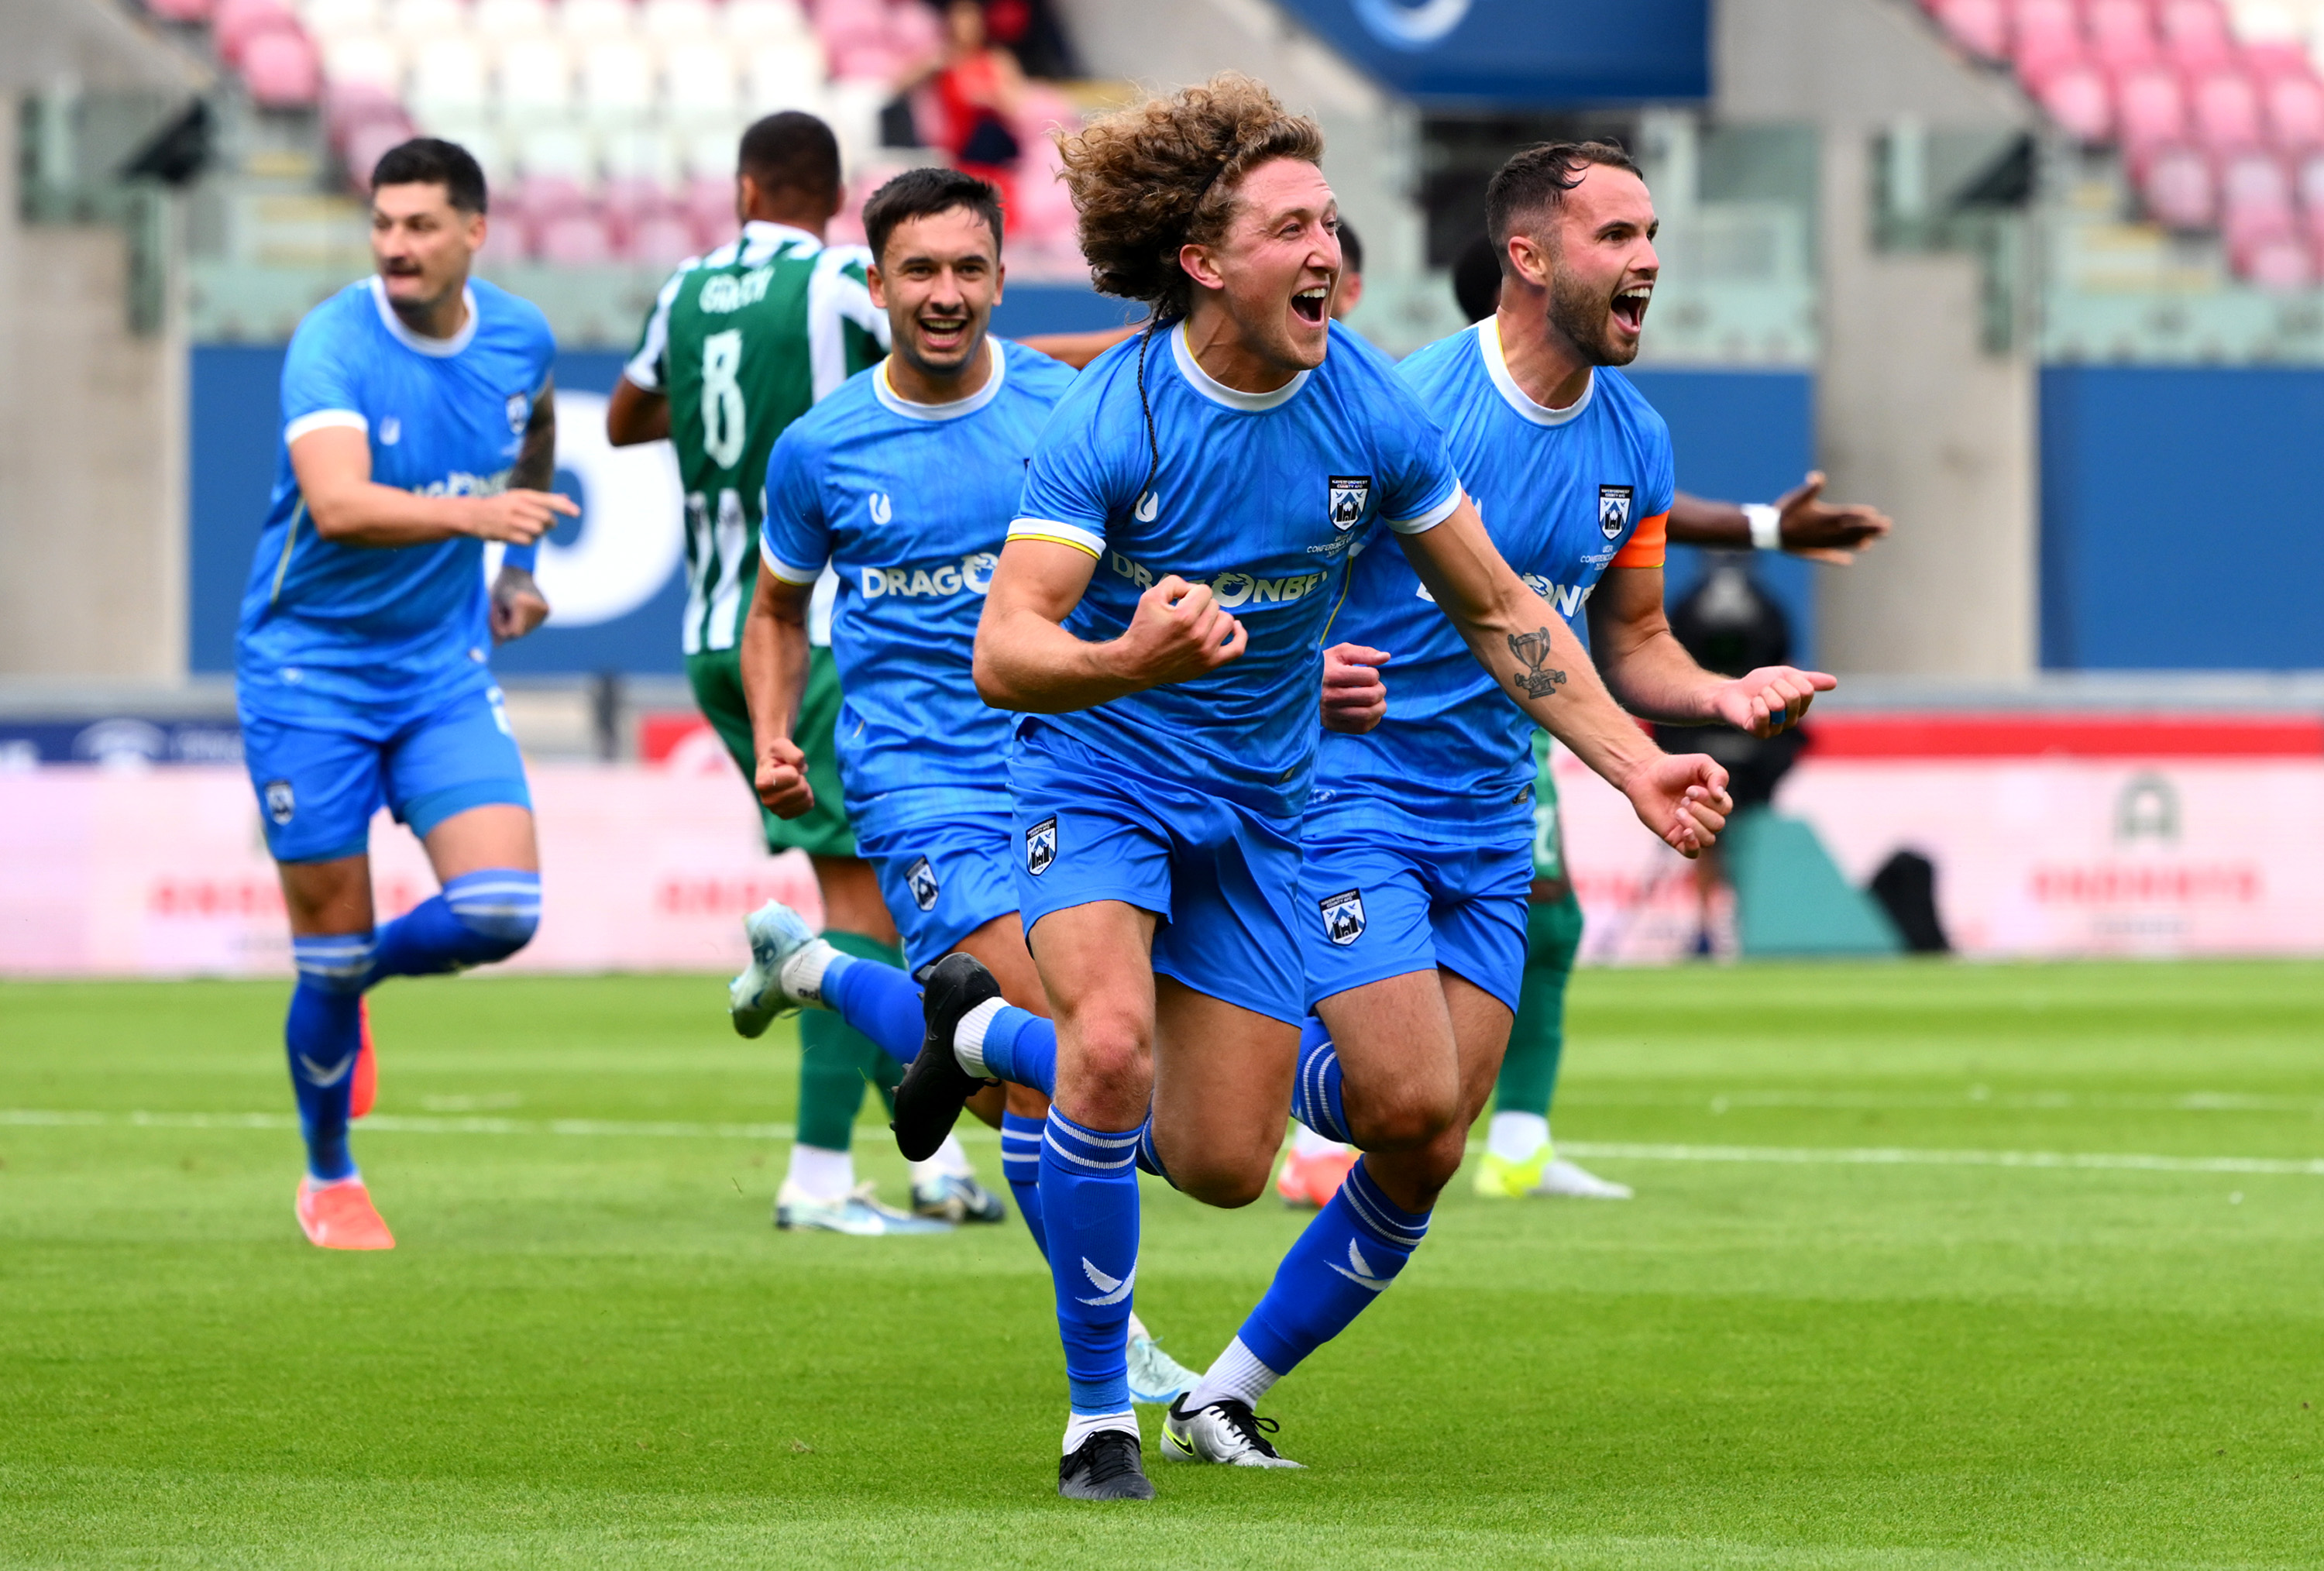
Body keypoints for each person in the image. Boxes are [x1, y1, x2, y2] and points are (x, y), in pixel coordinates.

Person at [892, 74, 1738, 1500]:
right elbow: (1008, 650)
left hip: (1257, 802)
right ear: (1206, 262)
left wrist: (1636, 763)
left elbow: (1503, 613)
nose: (1328, 253)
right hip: (1101, 766)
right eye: (1292, 228)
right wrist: (1135, 656)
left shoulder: (1365, 401)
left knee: (1222, 1160)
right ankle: (1100, 1420)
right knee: (1109, 1049)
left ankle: (980, 1041)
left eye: (1333, 223)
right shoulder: (1119, 418)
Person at [727, 166, 1202, 1404]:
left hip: (1073, 762)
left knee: (1017, 1083)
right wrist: (777, 727)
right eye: (919, 272)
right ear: (876, 284)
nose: (945, 294)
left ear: (1000, 276)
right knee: (1068, 1055)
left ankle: (820, 973)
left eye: (970, 269)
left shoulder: (1060, 406)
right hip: (919, 780)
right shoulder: (821, 446)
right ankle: (1122, 1350)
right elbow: (775, 610)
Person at [607, 113, 992, 1236]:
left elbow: (633, 414)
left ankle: (930, 1169)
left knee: (866, 905)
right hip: (812, 627)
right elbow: (944, 373)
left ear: (742, 187)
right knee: (859, 911)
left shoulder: (683, 290)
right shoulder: (834, 287)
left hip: (711, 627)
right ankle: (820, 1176)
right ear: (834, 201)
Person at [235, 137, 571, 1250]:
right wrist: (481, 524)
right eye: (383, 224)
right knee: (324, 941)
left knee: (498, 913)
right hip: (307, 670)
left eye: (421, 225)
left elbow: (537, 430)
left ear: (475, 231)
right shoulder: (333, 339)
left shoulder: (520, 336)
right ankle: (329, 1177)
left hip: (438, 670)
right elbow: (337, 503)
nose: (396, 247)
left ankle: (346, 983)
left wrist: (516, 575)